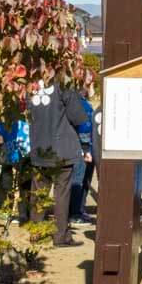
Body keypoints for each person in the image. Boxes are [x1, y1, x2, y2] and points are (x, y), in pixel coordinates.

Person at [26, 81, 90, 248]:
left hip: (38, 146)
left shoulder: (30, 85)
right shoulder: (62, 85)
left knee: (38, 192)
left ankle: (36, 233)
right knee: (61, 194)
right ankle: (60, 236)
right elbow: (79, 117)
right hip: (62, 149)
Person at [69, 89, 96, 225]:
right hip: (82, 149)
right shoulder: (82, 105)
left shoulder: (77, 103)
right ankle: (74, 213)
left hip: (78, 147)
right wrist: (87, 150)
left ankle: (79, 210)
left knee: (81, 180)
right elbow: (85, 127)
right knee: (78, 180)